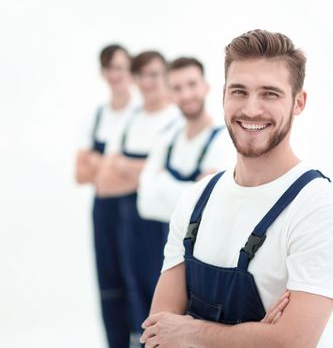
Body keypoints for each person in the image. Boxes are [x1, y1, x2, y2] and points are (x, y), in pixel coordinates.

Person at [140, 29, 333, 348]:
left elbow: (291, 342)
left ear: (299, 102)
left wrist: (190, 331)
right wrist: (253, 336)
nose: (251, 109)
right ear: (223, 95)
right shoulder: (196, 199)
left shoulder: (319, 209)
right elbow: (158, 334)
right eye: (239, 91)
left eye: (270, 93)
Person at [96, 51, 182, 346]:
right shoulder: (130, 119)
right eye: (142, 75)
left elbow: (164, 187)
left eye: (155, 74)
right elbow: (104, 182)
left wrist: (126, 168)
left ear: (166, 76)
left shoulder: (175, 119)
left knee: (159, 303)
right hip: (125, 224)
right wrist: (144, 173)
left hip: (160, 228)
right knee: (123, 296)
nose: (148, 82)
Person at [74, 44, 135, 348]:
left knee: (138, 285)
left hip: (136, 214)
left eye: (122, 67)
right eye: (110, 68)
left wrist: (102, 165)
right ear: (103, 73)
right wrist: (115, 166)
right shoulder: (96, 117)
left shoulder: (140, 116)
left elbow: (145, 173)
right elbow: (80, 173)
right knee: (109, 287)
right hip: (103, 213)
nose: (116, 75)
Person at [137, 56, 235, 224]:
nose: (186, 94)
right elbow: (145, 204)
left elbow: (209, 205)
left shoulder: (225, 140)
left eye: (192, 84)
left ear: (206, 87)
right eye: (177, 88)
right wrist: (193, 190)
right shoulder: (165, 138)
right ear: (169, 94)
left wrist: (161, 183)